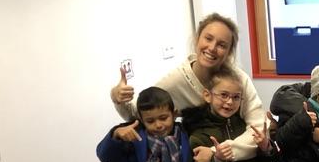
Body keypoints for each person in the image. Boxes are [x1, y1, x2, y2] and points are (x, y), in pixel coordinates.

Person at [109, 12, 263, 137]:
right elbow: (137, 114)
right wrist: (117, 97)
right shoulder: (175, 81)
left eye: (222, 45)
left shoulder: (239, 79)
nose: (212, 48)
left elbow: (258, 127)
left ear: (229, 52)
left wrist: (228, 151)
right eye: (208, 38)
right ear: (197, 39)